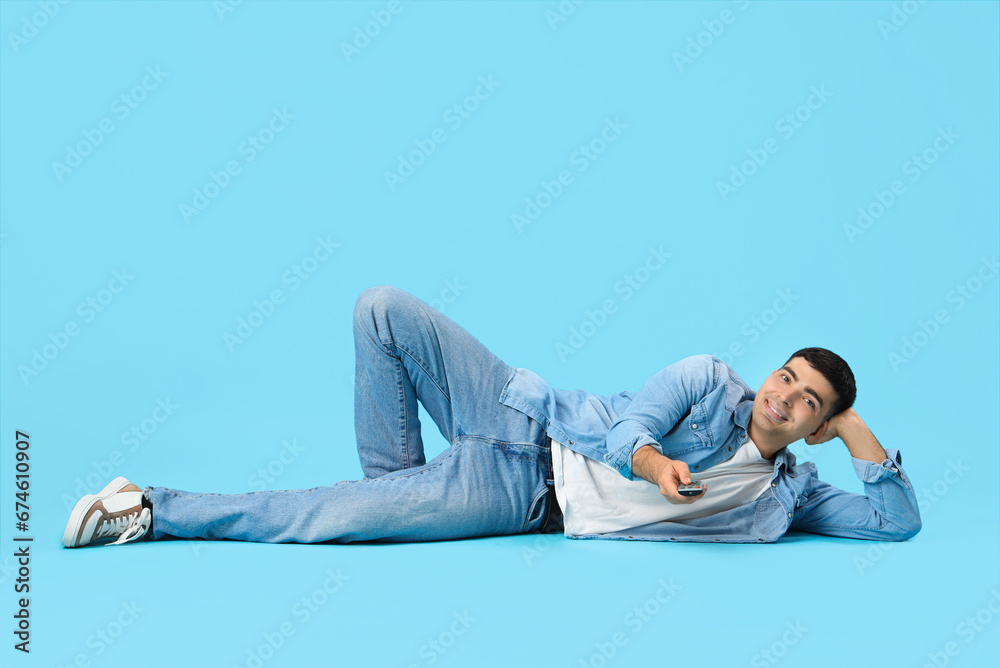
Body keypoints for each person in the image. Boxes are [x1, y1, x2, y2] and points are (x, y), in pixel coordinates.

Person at [62, 285, 921, 548]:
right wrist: (658, 468)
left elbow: (895, 522)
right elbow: (631, 431)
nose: (782, 393)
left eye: (807, 399)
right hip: (533, 423)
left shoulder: (787, 499)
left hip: (522, 500)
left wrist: (854, 432)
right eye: (786, 375)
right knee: (381, 309)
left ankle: (146, 505)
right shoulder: (708, 379)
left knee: (321, 520)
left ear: (815, 425)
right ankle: (399, 493)